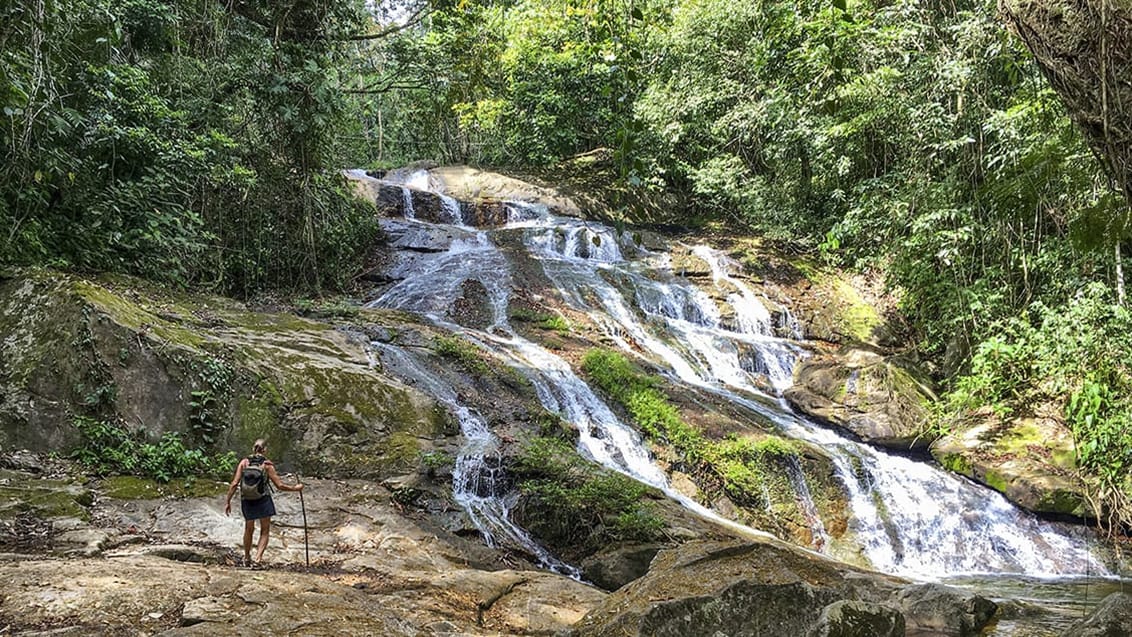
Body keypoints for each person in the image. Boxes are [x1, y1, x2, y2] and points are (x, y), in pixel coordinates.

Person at [224, 439, 303, 567]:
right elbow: (280, 485)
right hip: (263, 499)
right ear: (265, 450)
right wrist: (296, 488)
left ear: (253, 448)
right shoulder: (267, 465)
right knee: (265, 530)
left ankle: (247, 557)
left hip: (247, 500)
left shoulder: (244, 463)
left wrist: (228, 501)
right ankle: (258, 559)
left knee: (249, 529)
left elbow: (234, 483)